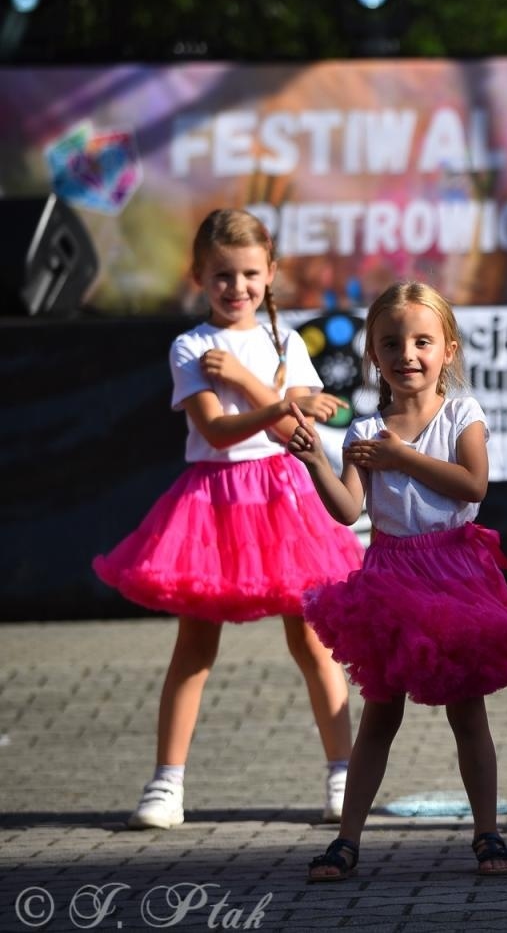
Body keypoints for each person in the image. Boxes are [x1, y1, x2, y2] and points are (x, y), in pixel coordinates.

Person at [93, 208, 362, 832]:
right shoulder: (189, 345)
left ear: (270, 274)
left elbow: (300, 432)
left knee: (313, 641)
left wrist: (250, 381)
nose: (236, 288)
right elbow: (213, 429)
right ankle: (166, 784)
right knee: (194, 646)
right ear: (198, 276)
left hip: (286, 501)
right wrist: (281, 402)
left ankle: (344, 776)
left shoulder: (285, 342)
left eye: (248, 274)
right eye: (221, 275)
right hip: (213, 503)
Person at [288, 281, 507, 881]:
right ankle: (347, 839)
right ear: (373, 357)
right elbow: (349, 510)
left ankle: (487, 832)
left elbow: (472, 485)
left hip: (454, 573)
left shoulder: (462, 413)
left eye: (422, 341)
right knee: (380, 714)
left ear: (448, 350)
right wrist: (315, 464)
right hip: (390, 578)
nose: (407, 353)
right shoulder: (362, 432)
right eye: (391, 343)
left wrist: (401, 456)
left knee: (467, 711)